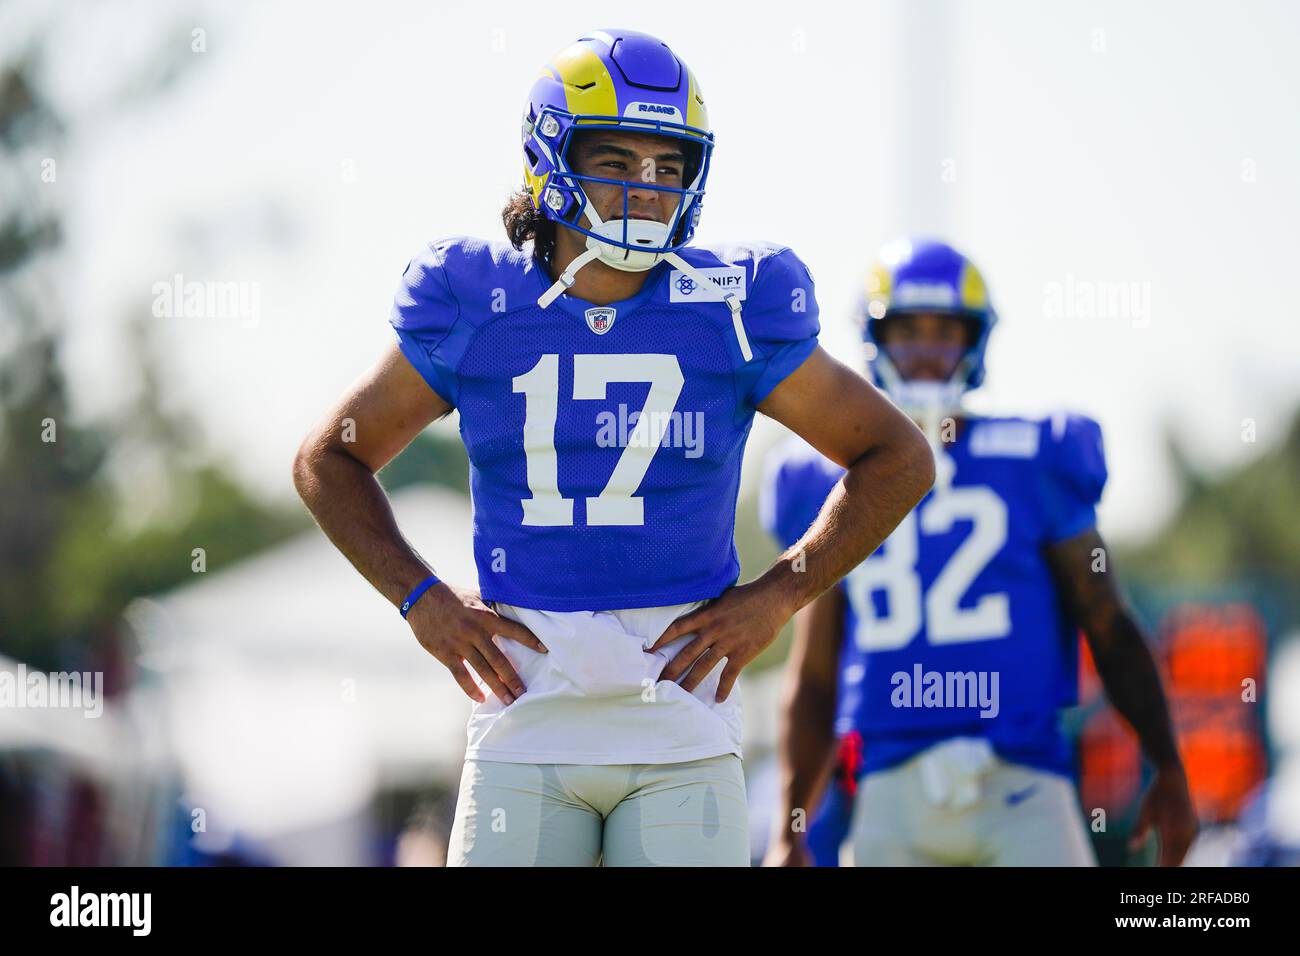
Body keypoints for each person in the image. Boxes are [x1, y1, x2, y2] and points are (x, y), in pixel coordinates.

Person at [292, 30, 934, 866]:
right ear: (549, 159)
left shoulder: (734, 304)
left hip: (682, 723)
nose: (648, 188)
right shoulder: (476, 299)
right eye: (618, 161)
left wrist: (779, 594)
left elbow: (898, 456)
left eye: (670, 168)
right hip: (525, 717)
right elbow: (327, 460)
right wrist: (422, 599)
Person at [761, 238, 1196, 866]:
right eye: (908, 330)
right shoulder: (822, 477)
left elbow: (1107, 619)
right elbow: (816, 672)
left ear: (976, 341)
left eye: (947, 331)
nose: (929, 352)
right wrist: (791, 822)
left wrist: (1168, 764)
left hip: (1023, 786)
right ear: (876, 338)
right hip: (890, 795)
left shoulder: (1035, 455)